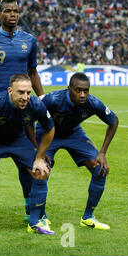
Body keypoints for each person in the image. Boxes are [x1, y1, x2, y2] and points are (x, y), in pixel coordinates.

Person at [0, 0, 46, 225]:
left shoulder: (29, 40)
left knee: (29, 166)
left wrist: (41, 97)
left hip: (23, 116)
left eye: (16, 11)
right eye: (8, 11)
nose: (12, 14)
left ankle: (31, 211)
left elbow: (33, 71)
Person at [0, 74, 55, 234]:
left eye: (28, 92)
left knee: (41, 172)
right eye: (21, 92)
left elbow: (50, 128)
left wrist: (40, 156)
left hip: (18, 139)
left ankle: (35, 222)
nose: (25, 97)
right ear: (10, 91)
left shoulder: (35, 104)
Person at [31, 73, 118, 232]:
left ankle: (88, 217)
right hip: (48, 132)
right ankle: (40, 217)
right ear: (69, 89)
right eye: (78, 90)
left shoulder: (92, 103)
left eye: (86, 90)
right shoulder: (53, 99)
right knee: (41, 170)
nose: (83, 94)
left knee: (99, 169)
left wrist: (103, 152)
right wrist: (37, 149)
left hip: (73, 133)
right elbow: (29, 114)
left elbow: (114, 120)